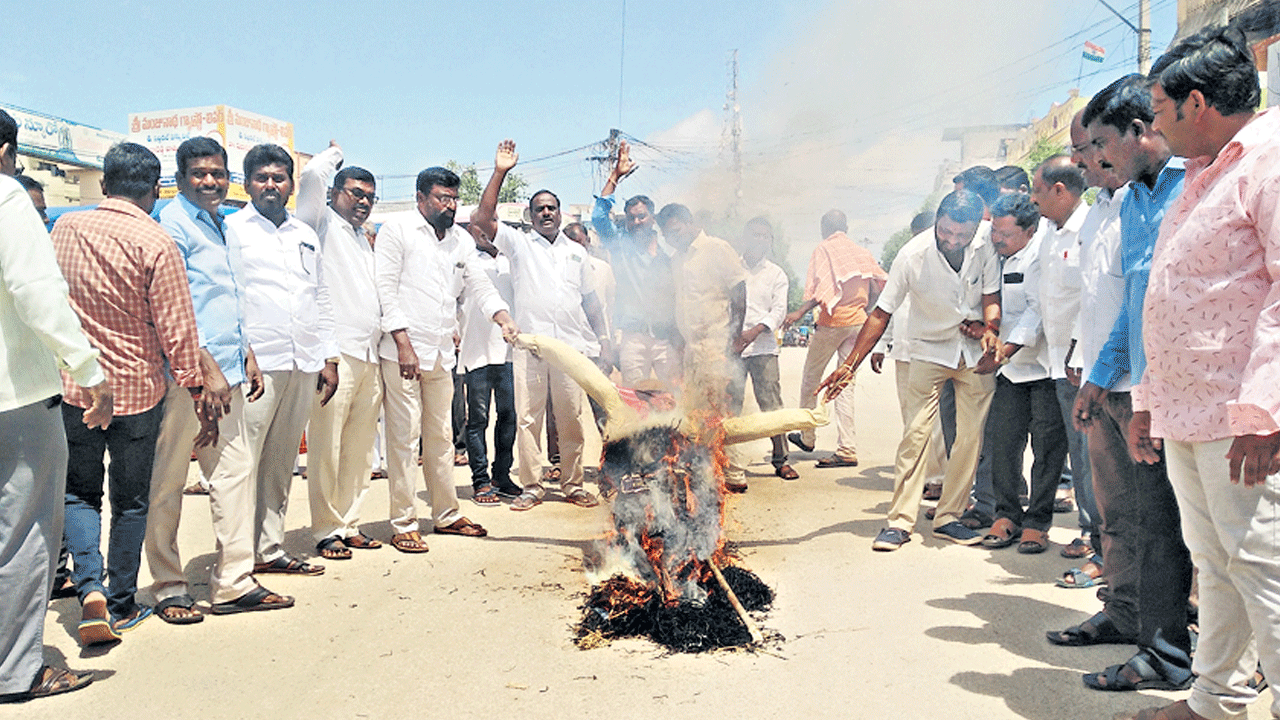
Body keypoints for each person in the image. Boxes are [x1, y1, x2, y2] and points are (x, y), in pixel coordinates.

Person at [1122, 26, 1280, 720]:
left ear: (1196, 102)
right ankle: (1217, 699)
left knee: (1264, 567)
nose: (1154, 127)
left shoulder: (1269, 161)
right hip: (1191, 413)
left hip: (1242, 416)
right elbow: (1174, 295)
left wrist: (1265, 411)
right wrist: (1149, 400)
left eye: (1159, 110)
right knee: (1215, 563)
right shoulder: (1203, 172)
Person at [1052, 73, 1194, 695]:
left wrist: (1147, 394)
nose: (1093, 158)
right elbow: (1136, 304)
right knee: (1133, 519)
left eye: (1099, 144)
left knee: (1181, 533)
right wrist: (1100, 376)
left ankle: (1180, 654)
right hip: (1134, 385)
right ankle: (1146, 633)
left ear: (1141, 130)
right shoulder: (1135, 199)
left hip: (1186, 393)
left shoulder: (1197, 183)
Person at [51, 143, 205, 644]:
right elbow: (177, 327)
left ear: (103, 184)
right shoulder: (157, 241)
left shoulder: (66, 228)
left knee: (79, 493)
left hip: (77, 386)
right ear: (156, 189)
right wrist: (194, 383)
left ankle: (89, 588)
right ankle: (120, 602)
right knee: (131, 500)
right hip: (138, 393)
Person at [146, 137, 290, 621]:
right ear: (180, 178)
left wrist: (245, 353)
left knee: (233, 474)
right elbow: (177, 303)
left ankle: (232, 583)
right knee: (168, 480)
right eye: (199, 173)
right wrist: (203, 369)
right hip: (186, 379)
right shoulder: (172, 224)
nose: (210, 181)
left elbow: (228, 297)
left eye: (217, 173)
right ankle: (168, 585)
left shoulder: (221, 224)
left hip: (228, 374)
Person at [818, 190, 1001, 550]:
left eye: (962, 235)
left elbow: (991, 296)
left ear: (974, 228)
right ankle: (900, 522)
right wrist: (850, 365)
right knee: (916, 435)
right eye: (946, 231)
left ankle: (949, 517)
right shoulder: (912, 255)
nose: (953, 241)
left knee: (969, 438)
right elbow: (881, 313)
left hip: (973, 354)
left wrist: (991, 328)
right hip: (928, 350)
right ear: (937, 222)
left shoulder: (986, 244)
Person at [0, 107, 108, 703]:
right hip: (15, 399)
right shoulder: (7, 196)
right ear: (6, 152)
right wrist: (88, 371)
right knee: (23, 534)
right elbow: (37, 291)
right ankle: (16, 671)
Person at [376, 164, 515, 549]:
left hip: (440, 354)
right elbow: (385, 289)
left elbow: (479, 285)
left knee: (441, 438)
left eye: (454, 199)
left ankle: (446, 514)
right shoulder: (397, 230)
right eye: (442, 198)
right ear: (421, 198)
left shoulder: (460, 241)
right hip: (403, 353)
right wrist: (402, 342)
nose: (450, 205)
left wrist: (503, 317)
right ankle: (404, 522)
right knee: (405, 439)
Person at [476, 140, 610, 511]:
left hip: (570, 348)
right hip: (531, 345)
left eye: (552, 207)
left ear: (561, 213)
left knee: (571, 418)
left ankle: (573, 484)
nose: (546, 213)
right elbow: (483, 220)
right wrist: (500, 172)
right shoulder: (519, 244)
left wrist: (603, 339)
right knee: (529, 418)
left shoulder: (576, 252)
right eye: (540, 209)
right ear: (531, 215)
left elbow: (590, 301)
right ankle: (532, 486)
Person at [227, 143, 339, 577]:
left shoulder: (304, 234)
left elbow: (320, 295)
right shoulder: (233, 230)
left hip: (303, 360)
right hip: (258, 364)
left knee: (281, 461)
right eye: (262, 178)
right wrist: (244, 352)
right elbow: (231, 296)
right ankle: (237, 557)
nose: (271, 185)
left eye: (279, 178)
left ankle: (269, 548)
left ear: (291, 185)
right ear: (247, 183)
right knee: (245, 462)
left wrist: (328, 355)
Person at [296, 141, 385, 560]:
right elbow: (311, 175)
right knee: (327, 448)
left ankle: (349, 523)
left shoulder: (362, 238)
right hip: (336, 356)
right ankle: (325, 529)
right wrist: (335, 154)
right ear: (334, 194)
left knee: (359, 449)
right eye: (355, 193)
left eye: (370, 197)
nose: (363, 202)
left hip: (369, 354)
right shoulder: (320, 224)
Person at [974, 193, 1068, 554]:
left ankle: (1037, 523)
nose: (997, 239)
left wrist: (1005, 351)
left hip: (1042, 368)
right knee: (1004, 445)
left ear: (1030, 231)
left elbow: (1037, 311)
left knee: (1047, 450)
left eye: (1006, 234)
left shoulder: (1041, 254)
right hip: (1010, 372)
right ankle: (1007, 515)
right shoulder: (993, 255)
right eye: (995, 231)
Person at [1029, 151, 1099, 562]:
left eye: (1037, 190)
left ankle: (1095, 537)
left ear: (1059, 190)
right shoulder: (1047, 234)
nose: (1032, 199)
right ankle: (1091, 532)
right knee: (1074, 452)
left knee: (1089, 457)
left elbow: (1094, 294)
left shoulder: (1090, 228)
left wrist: (1076, 344)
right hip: (1055, 364)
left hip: (1083, 364)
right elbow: (1043, 298)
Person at [781, 210, 887, 468]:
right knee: (845, 385)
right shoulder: (862, 253)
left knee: (811, 379)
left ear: (823, 228)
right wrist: (864, 310)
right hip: (858, 324)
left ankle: (807, 436)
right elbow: (878, 287)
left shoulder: (824, 249)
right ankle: (847, 449)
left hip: (833, 323)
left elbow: (821, 291)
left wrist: (799, 312)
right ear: (846, 227)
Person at [655, 202, 749, 490]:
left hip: (716, 344)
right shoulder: (677, 258)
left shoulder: (717, 249)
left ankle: (734, 471)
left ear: (689, 222)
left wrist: (735, 338)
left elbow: (739, 293)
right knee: (697, 409)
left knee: (722, 408)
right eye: (667, 235)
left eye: (675, 231)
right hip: (691, 347)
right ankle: (707, 469)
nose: (672, 239)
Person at [590, 139, 678, 389]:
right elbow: (598, 217)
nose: (637, 222)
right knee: (636, 399)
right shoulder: (621, 246)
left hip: (666, 338)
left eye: (642, 216)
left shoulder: (671, 249)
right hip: (633, 338)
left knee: (673, 396)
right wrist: (616, 176)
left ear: (653, 218)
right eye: (632, 218)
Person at [458, 214, 522, 505]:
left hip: (510, 351)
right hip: (477, 351)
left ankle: (502, 476)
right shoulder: (466, 261)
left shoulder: (513, 261)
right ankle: (481, 481)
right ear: (471, 229)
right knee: (478, 419)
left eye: (490, 222)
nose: (484, 230)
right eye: (478, 225)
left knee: (508, 416)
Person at [729, 217, 796, 480]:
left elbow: (779, 311)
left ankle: (781, 460)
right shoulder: (731, 268)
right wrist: (733, 337)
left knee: (772, 406)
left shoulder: (776, 274)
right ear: (745, 238)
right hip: (732, 348)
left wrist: (753, 332)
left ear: (770, 241)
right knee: (730, 407)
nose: (760, 240)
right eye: (755, 235)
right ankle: (728, 462)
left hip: (763, 348)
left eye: (765, 236)